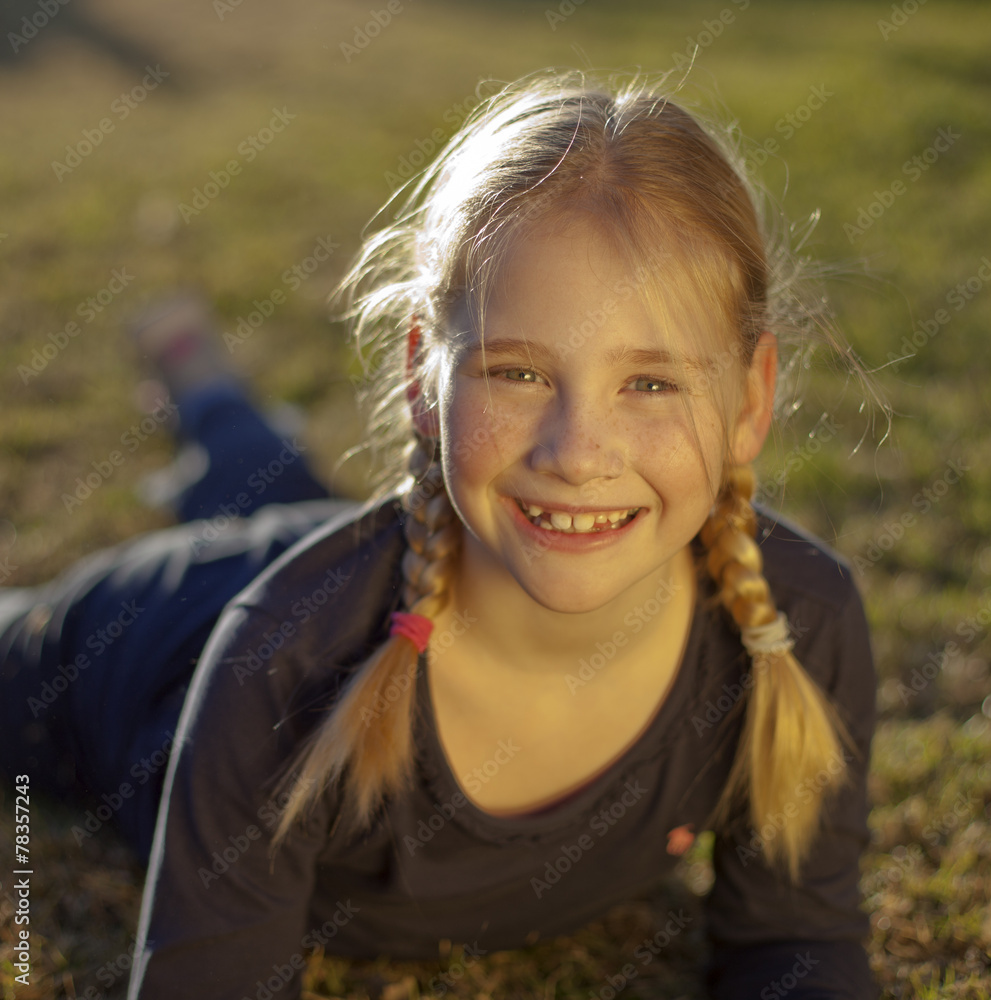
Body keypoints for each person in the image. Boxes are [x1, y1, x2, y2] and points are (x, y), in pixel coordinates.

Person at [0, 69, 882, 1000]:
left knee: (280, 495)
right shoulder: (282, 663)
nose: (579, 455)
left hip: (360, 547)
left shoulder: (799, 625)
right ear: (426, 374)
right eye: (518, 374)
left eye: (651, 383)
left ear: (751, 396)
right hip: (149, 642)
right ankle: (201, 383)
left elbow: (797, 943)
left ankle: (204, 384)